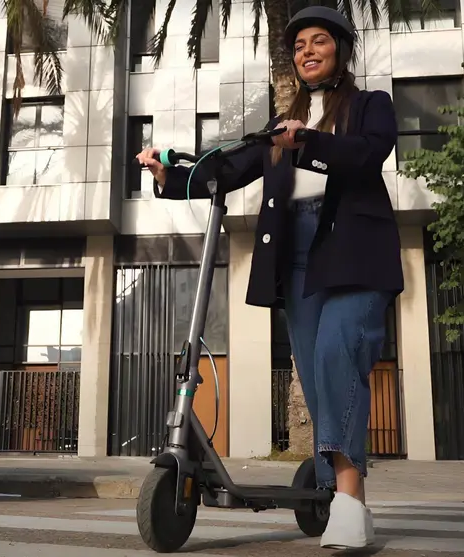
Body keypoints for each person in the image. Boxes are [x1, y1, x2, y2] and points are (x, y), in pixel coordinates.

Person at [136, 6, 403, 550]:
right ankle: (333, 489)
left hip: (353, 248)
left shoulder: (371, 106)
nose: (307, 50)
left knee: (336, 355)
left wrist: (310, 142)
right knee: (314, 368)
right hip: (297, 256)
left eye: (319, 41)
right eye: (300, 44)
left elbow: (370, 154)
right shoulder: (282, 122)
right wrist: (172, 177)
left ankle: (351, 499)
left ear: (341, 50)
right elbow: (226, 170)